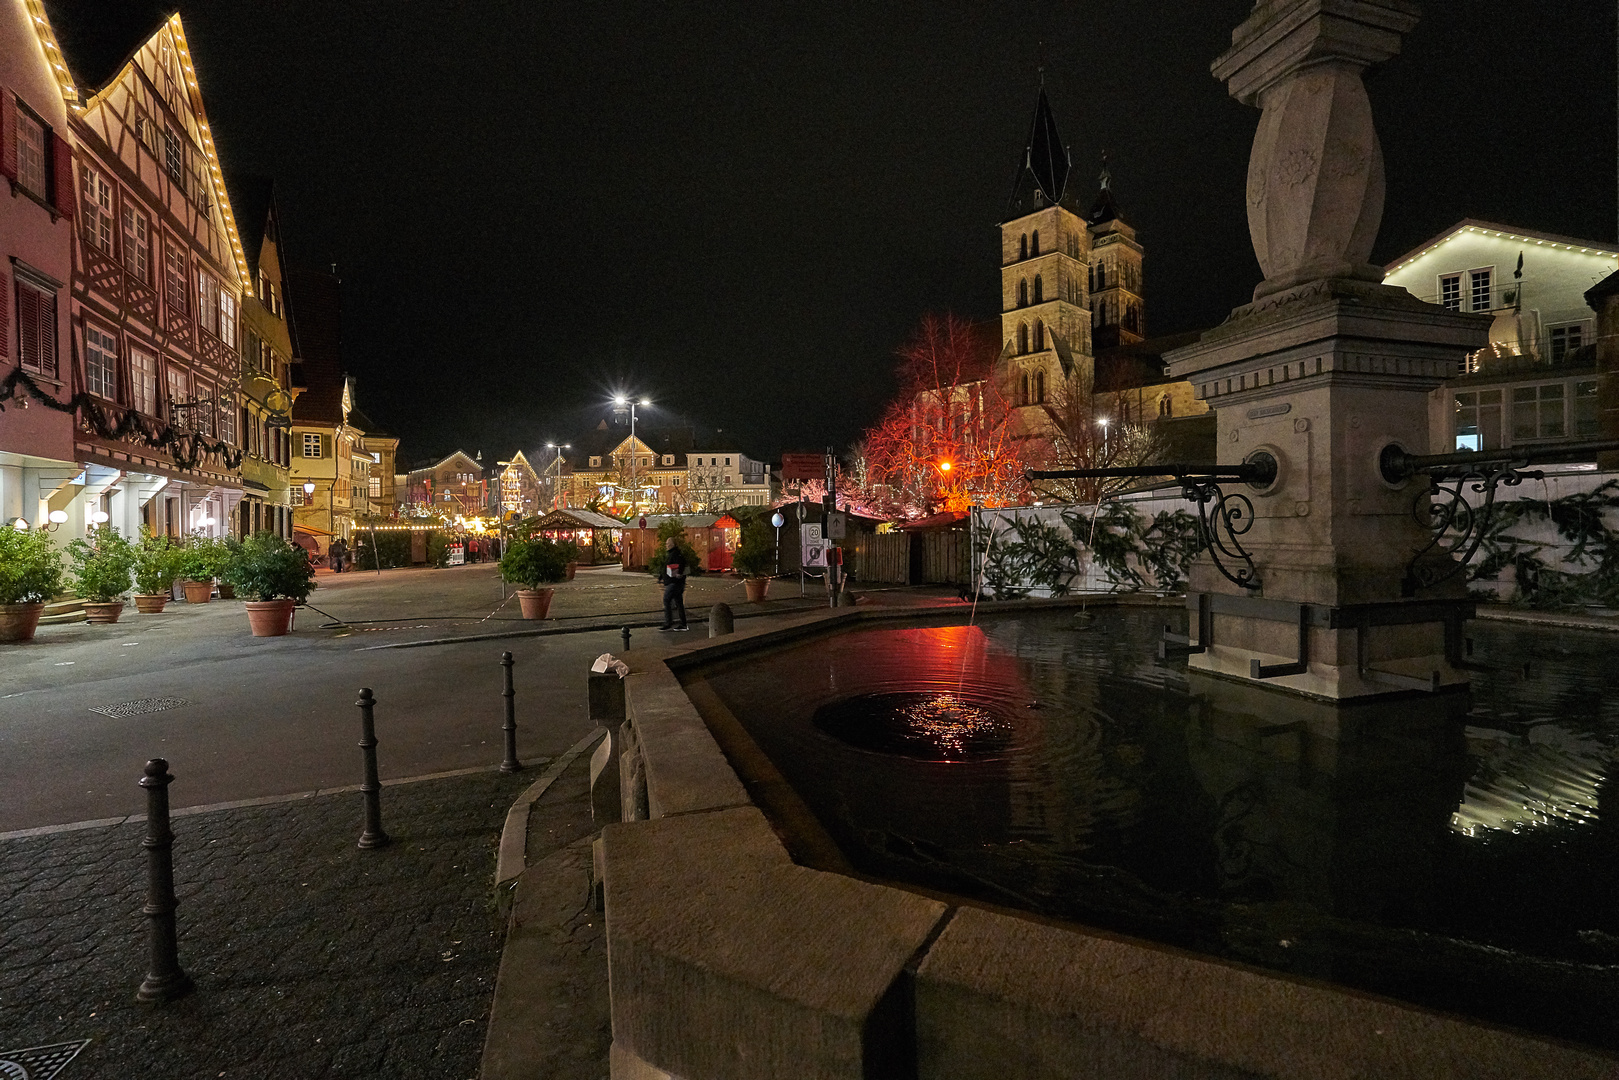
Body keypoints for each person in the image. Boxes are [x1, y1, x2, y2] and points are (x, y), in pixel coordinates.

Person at [657, 536, 690, 631]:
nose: (666, 545)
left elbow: (679, 566)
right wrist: (661, 577)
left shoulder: (675, 554)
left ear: (672, 544)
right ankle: (683, 624)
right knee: (679, 602)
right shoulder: (674, 554)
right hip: (676, 583)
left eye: (668, 544)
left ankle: (668, 622)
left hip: (674, 582)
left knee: (666, 600)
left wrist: (679, 574)